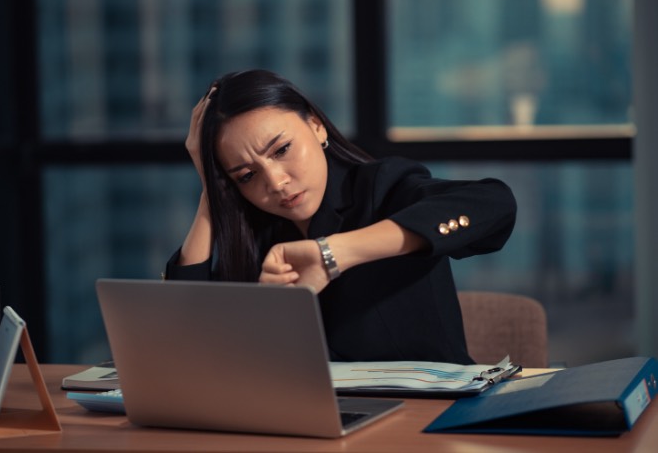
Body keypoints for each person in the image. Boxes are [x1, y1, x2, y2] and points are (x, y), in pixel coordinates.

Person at [166, 69, 517, 364]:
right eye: (246, 175)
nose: (275, 182)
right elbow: (184, 339)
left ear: (316, 126)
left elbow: (494, 204)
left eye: (282, 149)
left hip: (424, 416)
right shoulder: (254, 229)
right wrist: (211, 190)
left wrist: (334, 254)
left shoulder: (381, 186)